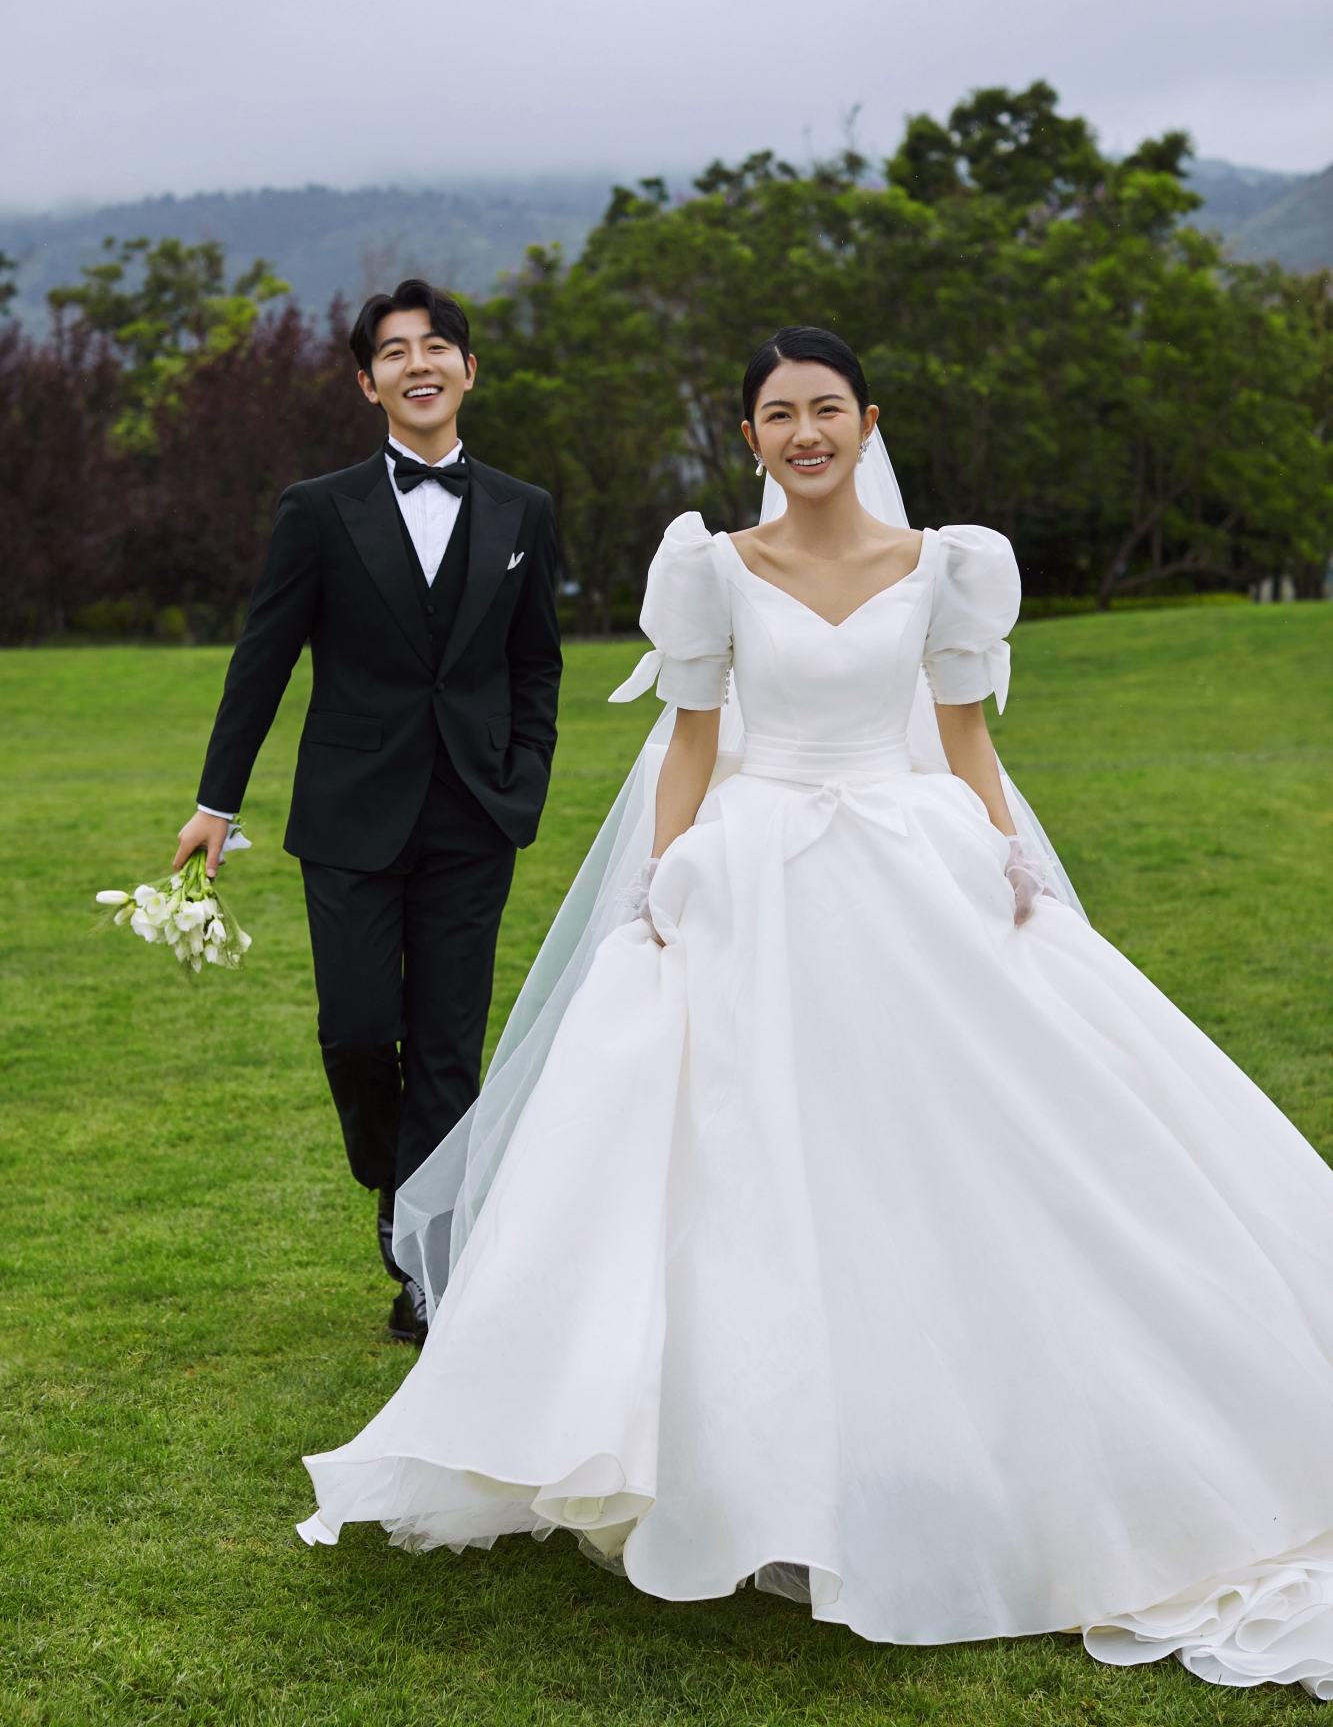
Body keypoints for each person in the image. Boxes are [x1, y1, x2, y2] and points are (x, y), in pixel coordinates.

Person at [296, 327, 1333, 1701]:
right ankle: (751, 1456)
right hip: (756, 868)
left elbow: (965, 739)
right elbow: (691, 743)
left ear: (866, 421)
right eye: (778, 414)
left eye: (826, 408)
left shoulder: (947, 565)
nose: (804, 433)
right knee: (746, 1159)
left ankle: (965, 1428)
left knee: (956, 1142)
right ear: (750, 438)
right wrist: (656, 883)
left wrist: (1008, 856)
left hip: (912, 861)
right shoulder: (712, 568)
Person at [175, 279, 561, 1346]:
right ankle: (397, 1178)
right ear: (367, 382)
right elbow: (262, 661)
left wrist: (524, 776)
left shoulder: (524, 510)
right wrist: (216, 802)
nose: (417, 364)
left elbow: (536, 662)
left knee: (447, 1045)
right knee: (355, 1030)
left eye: (436, 347)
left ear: (468, 370)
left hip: (474, 816)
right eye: (394, 351)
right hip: (348, 817)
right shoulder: (317, 509)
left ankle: (426, 1261)